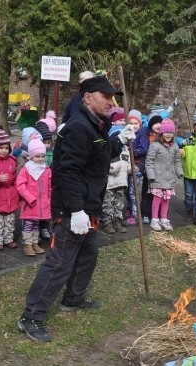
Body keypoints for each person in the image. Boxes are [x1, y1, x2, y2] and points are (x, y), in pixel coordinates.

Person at [18, 74, 135, 342]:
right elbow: (68, 171)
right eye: (105, 97)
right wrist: (75, 211)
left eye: (112, 97)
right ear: (88, 97)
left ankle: (73, 298)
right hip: (74, 209)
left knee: (88, 254)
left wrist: (119, 140)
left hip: (89, 206)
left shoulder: (97, 125)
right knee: (60, 262)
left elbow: (97, 156)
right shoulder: (77, 127)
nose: (110, 102)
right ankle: (30, 316)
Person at [145, 119, 183, 232]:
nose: (168, 135)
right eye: (166, 132)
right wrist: (151, 175)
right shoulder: (155, 145)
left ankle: (164, 219)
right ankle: (155, 220)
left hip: (169, 178)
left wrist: (179, 172)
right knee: (157, 199)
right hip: (157, 178)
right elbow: (149, 161)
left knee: (166, 200)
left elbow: (177, 161)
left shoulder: (175, 146)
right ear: (161, 133)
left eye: (171, 133)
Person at [16, 139, 51, 257]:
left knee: (36, 224)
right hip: (30, 203)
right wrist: (29, 198)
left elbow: (50, 186)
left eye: (42, 156)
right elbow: (20, 185)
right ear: (31, 156)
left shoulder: (46, 170)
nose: (40, 159)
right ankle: (28, 244)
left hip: (42, 203)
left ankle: (35, 243)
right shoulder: (26, 169)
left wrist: (49, 199)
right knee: (28, 224)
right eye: (37, 156)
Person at [0, 128, 19, 250]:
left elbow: (15, 177)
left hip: (10, 196)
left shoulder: (12, 161)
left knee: (10, 221)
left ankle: (8, 238)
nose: (4, 151)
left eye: (6, 148)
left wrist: (16, 192)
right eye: (0, 148)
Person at [133, 114, 163, 224]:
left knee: (157, 193)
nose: (158, 125)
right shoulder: (146, 135)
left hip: (159, 169)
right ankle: (145, 213)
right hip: (147, 168)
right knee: (146, 191)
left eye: (160, 123)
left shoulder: (163, 137)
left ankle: (154, 214)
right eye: (155, 123)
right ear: (151, 125)